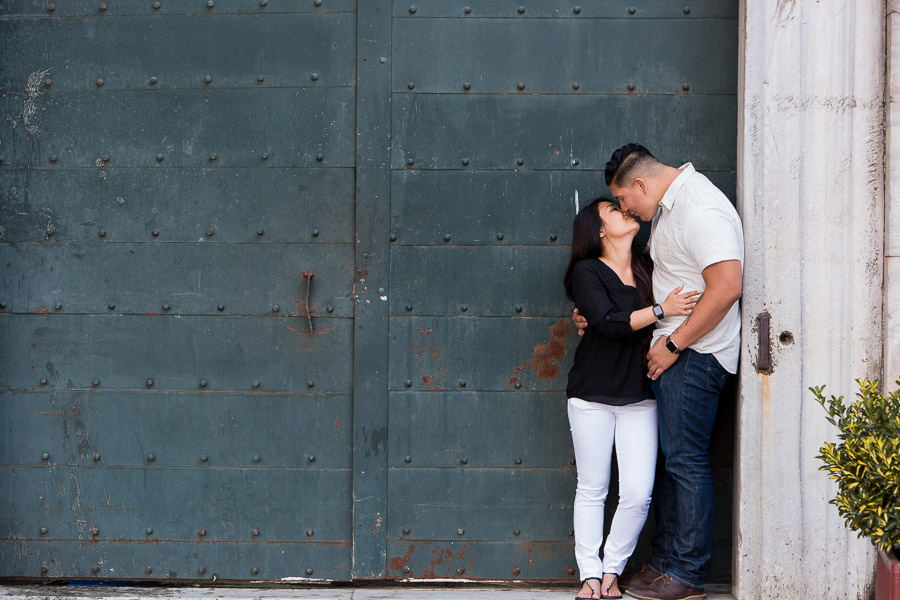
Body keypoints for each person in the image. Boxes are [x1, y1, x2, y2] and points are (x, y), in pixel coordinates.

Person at [575, 144, 743, 600]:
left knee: (685, 461)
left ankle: (686, 574)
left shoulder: (699, 207)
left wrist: (673, 343)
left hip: (696, 354)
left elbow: (727, 286)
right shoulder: (670, 209)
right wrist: (596, 314)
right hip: (675, 353)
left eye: (624, 200)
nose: (626, 209)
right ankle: (666, 565)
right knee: (673, 463)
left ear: (641, 185)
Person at [565, 197, 699, 600]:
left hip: (640, 393)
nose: (624, 211)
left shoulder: (647, 266)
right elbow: (607, 323)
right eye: (612, 210)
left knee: (638, 492)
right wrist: (661, 309)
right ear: (599, 229)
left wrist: (663, 309)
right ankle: (589, 573)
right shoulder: (586, 272)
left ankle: (612, 570)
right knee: (592, 486)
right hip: (591, 392)